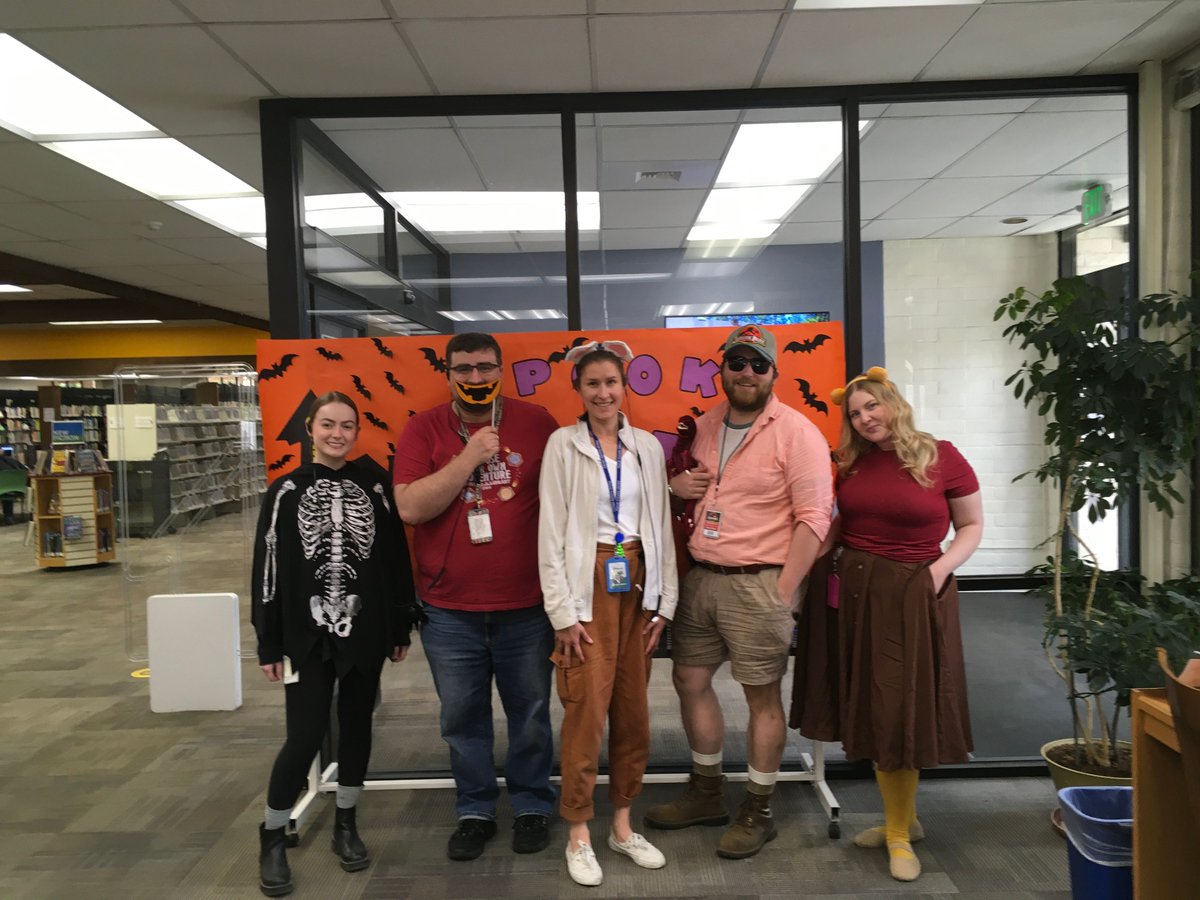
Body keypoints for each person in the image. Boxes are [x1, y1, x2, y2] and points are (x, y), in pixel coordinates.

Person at [644, 324, 833, 859]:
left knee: (760, 696)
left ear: (775, 372)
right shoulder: (703, 427)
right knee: (689, 679)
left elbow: (816, 518)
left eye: (758, 364)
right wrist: (671, 484)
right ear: (721, 368)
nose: (746, 372)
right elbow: (685, 494)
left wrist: (784, 590)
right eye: (737, 362)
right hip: (702, 577)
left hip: (760, 583)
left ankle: (759, 807)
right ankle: (706, 792)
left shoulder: (798, 433)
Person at [790, 367, 983, 883]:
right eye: (855, 413)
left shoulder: (941, 456)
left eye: (872, 406)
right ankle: (905, 821)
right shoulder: (851, 463)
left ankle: (898, 832)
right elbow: (837, 526)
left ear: (893, 402)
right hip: (853, 593)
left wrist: (938, 572)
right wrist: (798, 576)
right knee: (873, 704)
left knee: (898, 707)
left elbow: (971, 525)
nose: (865, 418)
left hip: (913, 592)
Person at [393, 332, 559, 862]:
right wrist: (468, 457)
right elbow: (411, 509)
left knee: (530, 713)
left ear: (501, 370)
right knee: (461, 718)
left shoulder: (538, 424)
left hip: (527, 606)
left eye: (485, 368)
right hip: (448, 611)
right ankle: (475, 810)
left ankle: (533, 805)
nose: (475, 378)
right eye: (463, 369)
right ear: (447, 374)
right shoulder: (423, 429)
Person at [251, 391, 416, 898]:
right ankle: (273, 834)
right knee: (303, 736)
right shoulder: (286, 491)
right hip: (305, 635)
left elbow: (392, 559)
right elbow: (268, 567)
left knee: (357, 727)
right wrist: (267, 641)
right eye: (327, 424)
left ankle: (346, 821)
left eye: (347, 425)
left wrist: (399, 624)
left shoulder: (375, 486)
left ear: (357, 431)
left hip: (363, 628)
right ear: (310, 428)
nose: (337, 434)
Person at [538, 341, 678, 886]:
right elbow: (550, 533)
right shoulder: (562, 445)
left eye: (611, 383)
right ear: (579, 389)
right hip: (586, 583)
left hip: (636, 577)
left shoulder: (645, 447)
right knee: (586, 712)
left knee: (633, 709)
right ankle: (578, 831)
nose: (603, 392)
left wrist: (663, 601)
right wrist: (563, 614)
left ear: (626, 386)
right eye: (592, 383)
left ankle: (622, 825)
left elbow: (660, 525)